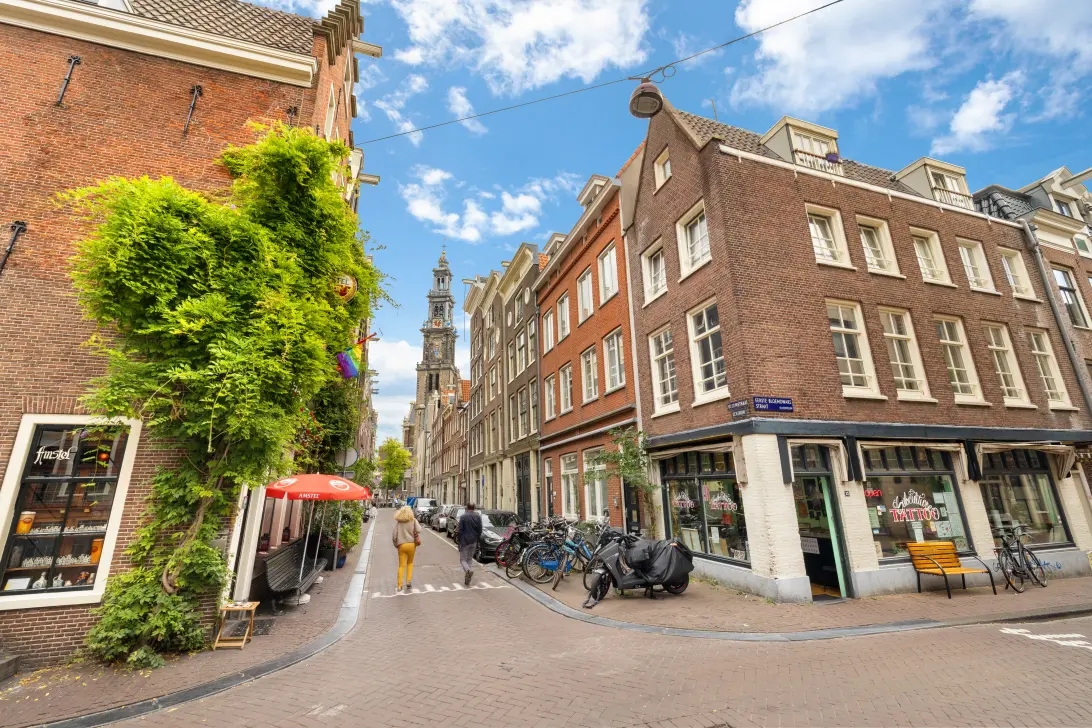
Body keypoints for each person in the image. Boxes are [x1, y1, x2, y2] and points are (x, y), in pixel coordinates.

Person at [392, 505, 421, 593]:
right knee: (410, 563)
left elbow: (394, 536)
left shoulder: (399, 523)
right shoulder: (413, 520)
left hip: (402, 545)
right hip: (411, 545)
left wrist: (396, 545)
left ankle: (399, 585)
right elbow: (419, 530)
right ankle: (408, 581)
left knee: (401, 565)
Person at [457, 503, 482, 586]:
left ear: (467, 508)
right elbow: (480, 529)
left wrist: (459, 541)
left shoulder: (463, 517)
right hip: (474, 540)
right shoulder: (478, 516)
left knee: (462, 560)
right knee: (469, 559)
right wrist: (477, 537)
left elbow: (460, 530)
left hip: (465, 541)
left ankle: (468, 570)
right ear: (474, 508)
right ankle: (467, 579)